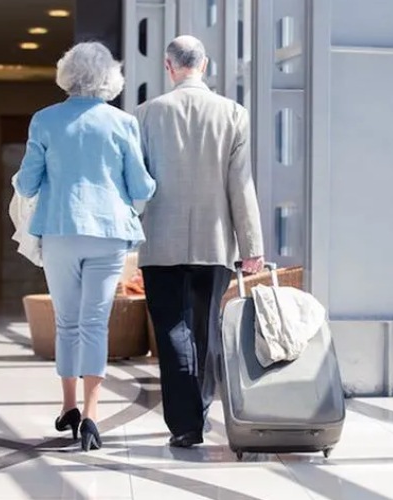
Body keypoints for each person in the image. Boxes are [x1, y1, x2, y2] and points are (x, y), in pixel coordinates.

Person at [15, 41, 156, 452]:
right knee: (95, 323)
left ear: (66, 74)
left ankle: (69, 407)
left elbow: (26, 183)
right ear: (109, 78)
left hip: (60, 229)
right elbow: (141, 185)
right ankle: (93, 416)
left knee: (67, 323)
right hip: (109, 232)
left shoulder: (45, 121)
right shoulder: (122, 123)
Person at [136, 35, 265, 448]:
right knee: (205, 329)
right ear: (205, 65)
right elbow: (240, 186)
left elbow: (136, 185)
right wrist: (251, 247)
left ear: (168, 66)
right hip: (214, 244)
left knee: (172, 329)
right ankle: (201, 409)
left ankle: (184, 423)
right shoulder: (233, 114)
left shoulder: (145, 114)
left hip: (160, 242)